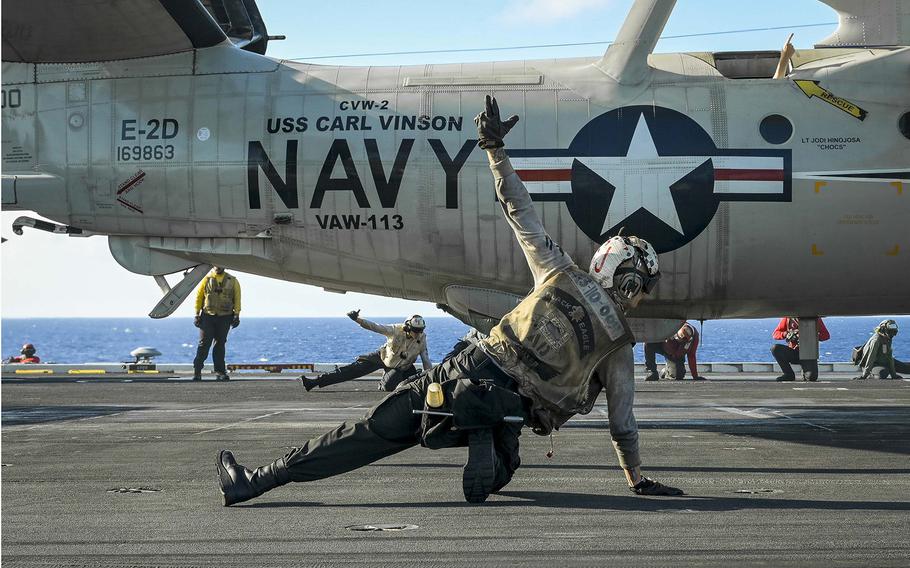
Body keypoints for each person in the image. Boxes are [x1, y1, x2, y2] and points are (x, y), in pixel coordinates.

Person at [216, 95, 682, 507]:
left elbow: (520, 212)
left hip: (474, 368)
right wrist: (636, 478)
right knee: (502, 469)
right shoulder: (619, 344)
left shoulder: (560, 271)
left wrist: (495, 151)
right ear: (634, 283)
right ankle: (487, 434)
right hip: (516, 410)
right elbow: (622, 421)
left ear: (605, 261)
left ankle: (256, 481)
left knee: (371, 433)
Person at [301, 313, 432, 392]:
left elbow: (426, 360)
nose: (418, 333)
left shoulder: (422, 339)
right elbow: (375, 327)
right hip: (382, 356)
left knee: (390, 387)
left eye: (420, 330)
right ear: (407, 327)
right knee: (353, 369)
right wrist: (357, 319)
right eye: (416, 330)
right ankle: (313, 382)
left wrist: (431, 379)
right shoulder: (395, 330)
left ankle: (384, 382)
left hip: (402, 367)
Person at [192, 266, 241, 381]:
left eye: (220, 264)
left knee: (220, 345)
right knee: (204, 344)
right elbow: (199, 297)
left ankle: (220, 372)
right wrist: (196, 314)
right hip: (207, 316)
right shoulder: (207, 279)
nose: (218, 267)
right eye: (216, 265)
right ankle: (197, 371)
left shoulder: (233, 280)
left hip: (225, 317)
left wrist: (237, 315)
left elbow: (237, 298)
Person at [771, 317, 829, 382]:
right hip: (794, 353)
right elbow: (775, 334)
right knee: (775, 348)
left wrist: (810, 335)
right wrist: (787, 334)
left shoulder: (815, 319)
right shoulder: (788, 318)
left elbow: (826, 335)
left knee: (811, 378)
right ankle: (788, 374)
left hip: (808, 354)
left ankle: (806, 371)